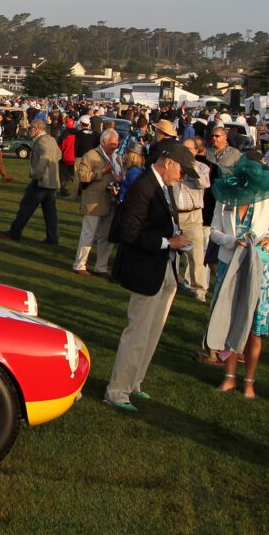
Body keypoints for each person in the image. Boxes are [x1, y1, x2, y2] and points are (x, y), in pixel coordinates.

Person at [104, 139, 196, 411]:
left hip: (164, 268)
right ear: (168, 162)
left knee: (153, 332)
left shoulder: (162, 186)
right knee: (138, 333)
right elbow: (129, 233)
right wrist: (169, 243)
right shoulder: (144, 186)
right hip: (146, 268)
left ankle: (134, 383)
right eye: (181, 170)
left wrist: (175, 239)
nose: (182, 176)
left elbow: (160, 223)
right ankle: (117, 391)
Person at [203, 158, 269, 397]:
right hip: (228, 265)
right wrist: (233, 242)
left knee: (255, 327)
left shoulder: (268, 199)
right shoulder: (225, 199)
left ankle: (249, 382)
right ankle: (229, 377)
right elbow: (213, 232)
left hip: (258, 268)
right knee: (230, 321)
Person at [0, 120, 62, 244]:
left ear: (37, 129)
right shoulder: (52, 139)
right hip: (52, 182)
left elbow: (45, 158)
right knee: (50, 212)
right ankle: (52, 238)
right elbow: (58, 155)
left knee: (26, 207)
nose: (29, 130)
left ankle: (14, 233)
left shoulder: (41, 141)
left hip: (41, 181)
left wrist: (36, 174)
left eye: (30, 128)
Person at [72, 128, 121, 275]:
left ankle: (101, 267)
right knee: (88, 234)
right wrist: (102, 172)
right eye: (112, 143)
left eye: (116, 144)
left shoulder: (117, 157)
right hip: (94, 201)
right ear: (103, 142)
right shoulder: (91, 155)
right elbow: (82, 176)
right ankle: (79, 265)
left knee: (106, 237)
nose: (114, 146)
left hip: (110, 200)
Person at [172, 137, 212, 301]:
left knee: (196, 255)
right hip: (174, 214)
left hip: (193, 215)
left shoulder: (202, 167)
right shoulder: (173, 165)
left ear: (196, 151)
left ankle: (199, 289)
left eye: (190, 149)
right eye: (184, 148)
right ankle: (172, 282)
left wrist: (189, 167)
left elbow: (204, 184)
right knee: (170, 251)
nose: (186, 152)